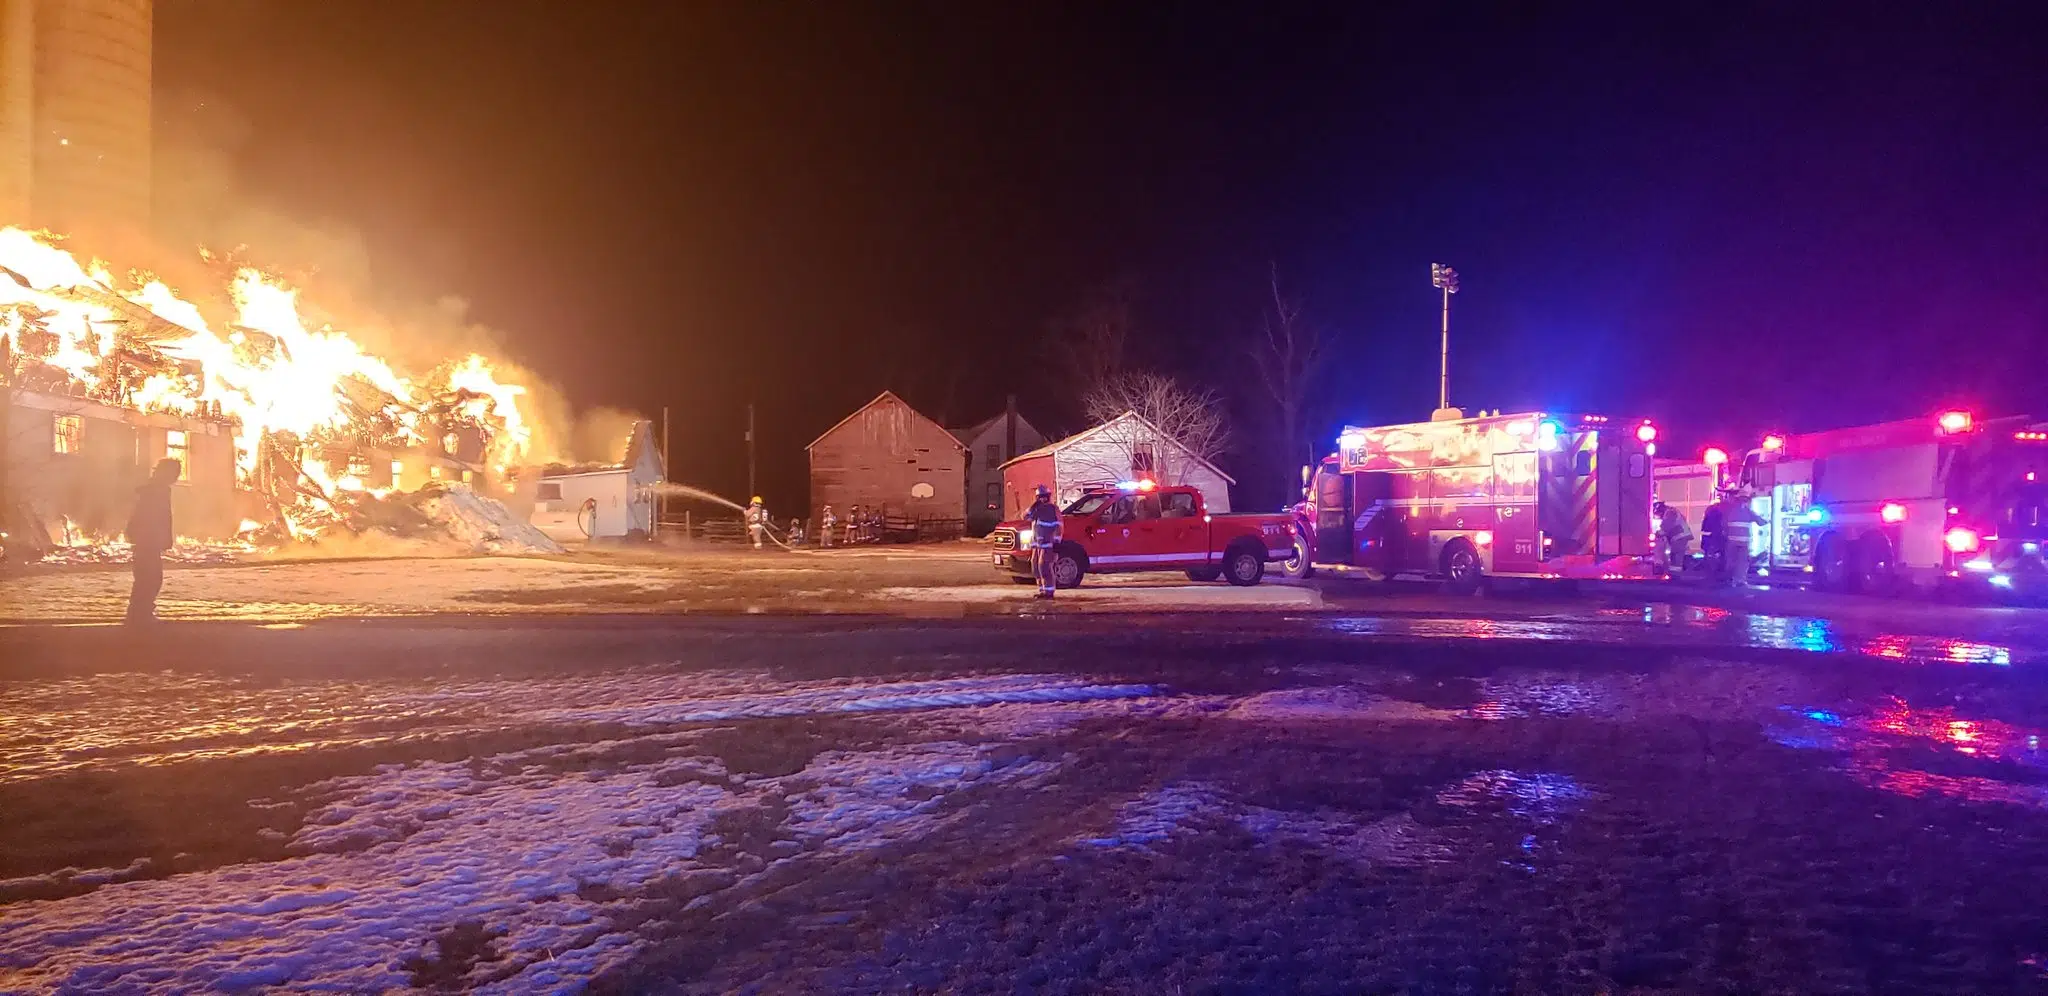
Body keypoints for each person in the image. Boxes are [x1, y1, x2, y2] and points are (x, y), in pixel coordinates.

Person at [126, 458, 180, 623]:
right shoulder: (156, 491)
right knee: (150, 577)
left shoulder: (156, 489)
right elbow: (154, 517)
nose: (176, 477)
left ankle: (140, 611)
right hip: (148, 540)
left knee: (149, 577)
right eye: (175, 473)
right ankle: (139, 613)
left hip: (148, 540)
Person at [1022, 484, 1063, 599]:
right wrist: (1033, 506)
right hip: (1036, 543)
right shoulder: (1037, 509)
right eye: (1040, 497)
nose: (1043, 499)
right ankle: (1042, 590)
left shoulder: (1053, 509)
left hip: (1048, 543)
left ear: (1048, 497)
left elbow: (1059, 526)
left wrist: (1057, 542)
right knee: (1035, 567)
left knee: (1044, 566)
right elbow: (1025, 517)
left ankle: (1049, 592)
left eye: (1045, 496)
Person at [1655, 502, 1692, 575]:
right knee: (1676, 556)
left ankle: (1675, 576)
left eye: (1659, 514)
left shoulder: (1670, 513)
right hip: (1680, 537)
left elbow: (1666, 526)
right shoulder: (1671, 511)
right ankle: (1676, 574)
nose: (1659, 516)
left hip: (1679, 537)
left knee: (1676, 557)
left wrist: (1659, 533)